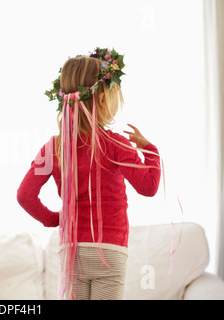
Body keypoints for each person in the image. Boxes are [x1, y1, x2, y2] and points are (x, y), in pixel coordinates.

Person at [16, 48, 161, 300]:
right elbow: (148, 187)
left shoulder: (53, 147)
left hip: (72, 251)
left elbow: (24, 196)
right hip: (110, 250)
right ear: (103, 100)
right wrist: (150, 150)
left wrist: (54, 219)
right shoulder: (116, 144)